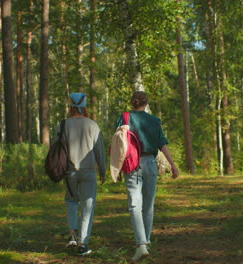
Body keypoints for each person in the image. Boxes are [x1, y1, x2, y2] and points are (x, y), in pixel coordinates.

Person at [115, 91, 179, 262]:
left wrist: (117, 168)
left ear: (132, 102)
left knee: (135, 205)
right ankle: (147, 241)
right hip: (150, 163)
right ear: (146, 103)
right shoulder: (154, 121)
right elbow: (162, 144)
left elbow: (118, 145)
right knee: (148, 204)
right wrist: (172, 165)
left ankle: (141, 245)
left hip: (131, 164)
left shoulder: (124, 118)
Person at [56, 92, 106, 256]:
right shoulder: (92, 125)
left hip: (69, 171)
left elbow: (56, 148)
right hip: (89, 171)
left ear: (70, 106)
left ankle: (72, 235)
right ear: (84, 106)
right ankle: (83, 243)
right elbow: (99, 150)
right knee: (87, 208)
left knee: (71, 202)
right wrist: (103, 171)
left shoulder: (62, 124)